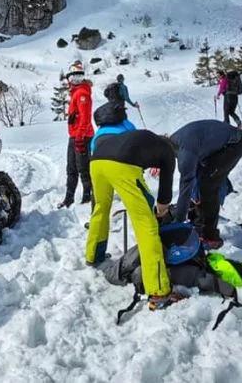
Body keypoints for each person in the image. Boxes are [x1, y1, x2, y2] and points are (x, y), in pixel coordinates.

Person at [85, 129, 185, 310]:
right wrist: (160, 212)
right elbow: (165, 193)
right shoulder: (168, 152)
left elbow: (142, 188)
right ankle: (159, 290)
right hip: (122, 163)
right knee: (147, 226)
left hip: (97, 161)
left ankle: (93, 255)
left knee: (101, 208)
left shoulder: (144, 139)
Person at [168, 120, 242, 249]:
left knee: (207, 188)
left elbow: (186, 185)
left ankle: (211, 236)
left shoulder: (185, 152)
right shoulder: (174, 141)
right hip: (218, 144)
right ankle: (198, 222)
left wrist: (178, 222)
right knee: (201, 185)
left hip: (234, 145)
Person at [59, 62, 94, 209]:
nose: (75, 80)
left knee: (83, 167)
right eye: (73, 77)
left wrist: (80, 137)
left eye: (79, 77)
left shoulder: (82, 94)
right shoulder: (75, 93)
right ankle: (69, 197)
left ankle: (87, 195)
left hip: (82, 137)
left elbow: (85, 118)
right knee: (71, 168)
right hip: (74, 136)